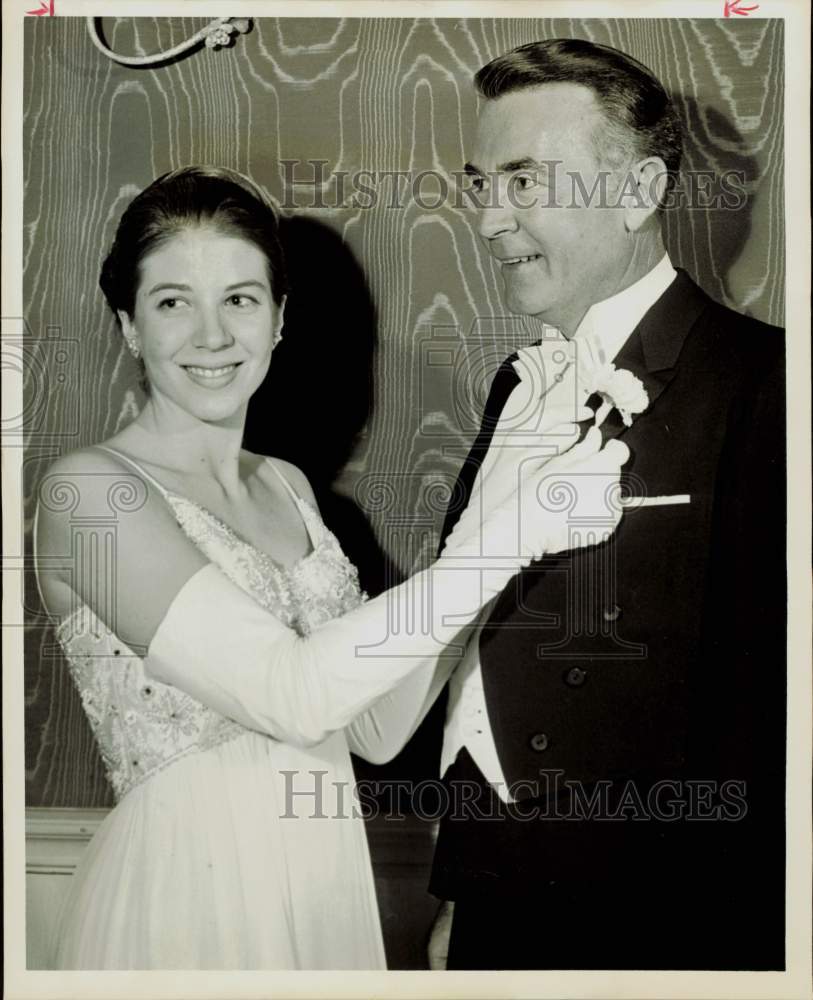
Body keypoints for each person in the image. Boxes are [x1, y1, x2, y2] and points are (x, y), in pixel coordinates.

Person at [33, 165, 629, 970]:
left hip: (321, 887)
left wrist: (502, 487)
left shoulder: (287, 487)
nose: (212, 336)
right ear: (130, 324)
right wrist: (507, 537)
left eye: (240, 299)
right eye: (174, 301)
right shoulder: (87, 494)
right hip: (186, 901)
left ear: (278, 318)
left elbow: (379, 729)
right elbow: (291, 692)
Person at [430, 39, 786, 971]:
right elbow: (477, 651)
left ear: (636, 194)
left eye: (524, 181)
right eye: (481, 184)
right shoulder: (515, 387)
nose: (487, 218)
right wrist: (465, 884)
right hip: (496, 900)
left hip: (672, 922)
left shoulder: (768, 386)